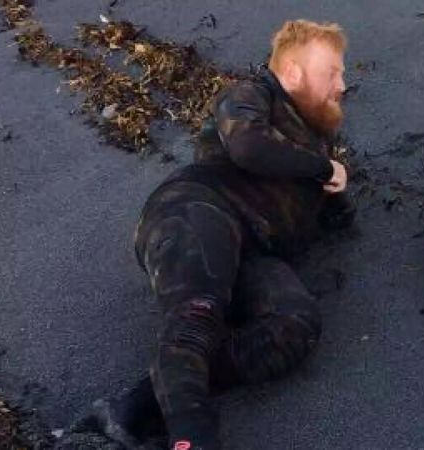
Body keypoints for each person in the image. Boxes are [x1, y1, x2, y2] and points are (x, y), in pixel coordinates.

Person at [81, 19, 356, 450]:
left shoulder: (313, 139)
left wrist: (336, 194)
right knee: (197, 316)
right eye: (332, 72)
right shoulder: (249, 95)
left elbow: (326, 213)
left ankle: (135, 407)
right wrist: (323, 169)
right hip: (197, 209)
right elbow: (247, 145)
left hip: (255, 250)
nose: (343, 83)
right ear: (293, 73)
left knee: (295, 324)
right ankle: (194, 438)